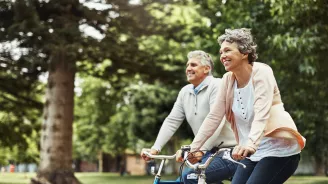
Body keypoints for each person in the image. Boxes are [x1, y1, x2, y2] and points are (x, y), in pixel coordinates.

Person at [180, 28, 306, 184]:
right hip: (251, 153)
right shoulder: (228, 80)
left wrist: (250, 144)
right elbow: (214, 117)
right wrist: (194, 147)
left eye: (227, 50)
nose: (222, 56)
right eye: (220, 52)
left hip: (279, 151)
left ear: (244, 52)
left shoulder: (262, 72)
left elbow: (262, 112)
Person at [140, 50, 237, 184]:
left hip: (230, 151)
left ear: (206, 68)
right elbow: (172, 121)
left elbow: (217, 121)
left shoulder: (217, 85)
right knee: (183, 180)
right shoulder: (185, 92)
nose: (188, 69)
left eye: (193, 65)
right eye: (187, 65)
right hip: (207, 152)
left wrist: (198, 150)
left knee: (190, 178)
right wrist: (156, 148)